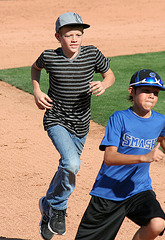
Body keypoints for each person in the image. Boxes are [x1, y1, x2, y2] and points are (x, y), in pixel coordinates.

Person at [31, 12, 115, 240]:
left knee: (70, 167)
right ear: (58, 36)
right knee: (71, 162)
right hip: (55, 119)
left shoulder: (92, 54)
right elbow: (35, 68)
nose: (75, 39)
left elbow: (110, 75)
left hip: (81, 123)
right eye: (69, 35)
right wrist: (37, 91)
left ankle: (47, 204)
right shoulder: (49, 57)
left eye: (78, 34)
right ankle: (57, 208)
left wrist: (104, 84)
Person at [75, 69, 165, 240]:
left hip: (138, 190)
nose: (151, 96)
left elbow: (164, 138)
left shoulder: (159, 120)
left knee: (157, 223)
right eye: (146, 91)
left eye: (155, 93)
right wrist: (144, 157)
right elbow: (110, 158)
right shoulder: (119, 118)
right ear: (132, 92)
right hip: (108, 192)